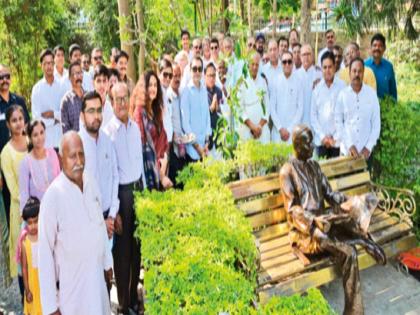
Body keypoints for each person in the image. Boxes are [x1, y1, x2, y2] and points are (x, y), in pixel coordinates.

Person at [279, 124, 386, 315]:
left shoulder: (314, 166)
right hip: (305, 233)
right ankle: (354, 311)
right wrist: (313, 221)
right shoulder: (287, 171)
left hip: (324, 224)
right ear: (297, 145)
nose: (313, 145)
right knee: (348, 251)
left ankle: (365, 243)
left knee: (351, 229)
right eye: (308, 142)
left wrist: (352, 200)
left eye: (312, 141)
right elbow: (293, 210)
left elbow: (330, 194)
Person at [38, 131, 113, 315]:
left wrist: (107, 263)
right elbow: (45, 253)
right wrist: (51, 306)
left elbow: (99, 225)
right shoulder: (53, 197)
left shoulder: (91, 182)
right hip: (73, 293)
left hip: (97, 282)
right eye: (72, 156)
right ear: (61, 158)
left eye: (81, 154)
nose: (78, 161)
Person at [104, 82, 145, 314]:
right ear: (111, 102)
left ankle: (132, 298)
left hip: (137, 192)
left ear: (129, 99)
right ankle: (123, 303)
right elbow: (111, 175)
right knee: (122, 253)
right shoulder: (109, 133)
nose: (121, 103)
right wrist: (115, 210)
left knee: (137, 249)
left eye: (124, 98)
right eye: (116, 99)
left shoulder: (134, 128)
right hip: (120, 196)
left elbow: (138, 163)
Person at [79, 91, 119, 238]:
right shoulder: (77, 145)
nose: (96, 116)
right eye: (91, 111)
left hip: (109, 219)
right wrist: (100, 222)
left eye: (98, 110)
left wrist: (112, 215)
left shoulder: (108, 141)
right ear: (82, 116)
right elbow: (76, 190)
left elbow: (115, 177)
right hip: (87, 223)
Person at [0, 64, 30, 233]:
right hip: (5, 163)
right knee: (10, 206)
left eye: (7, 76)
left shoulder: (19, 101)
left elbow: (27, 126)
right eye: (1, 77)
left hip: (24, 155)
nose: (4, 80)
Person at [335, 57, 381, 164]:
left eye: (359, 71)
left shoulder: (372, 95)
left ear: (363, 73)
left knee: (366, 181)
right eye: (354, 71)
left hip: (366, 155)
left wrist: (368, 147)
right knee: (344, 181)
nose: (356, 74)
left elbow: (376, 125)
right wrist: (349, 145)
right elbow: (338, 123)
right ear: (349, 73)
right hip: (346, 153)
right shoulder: (342, 95)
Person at [1, 105, 28, 279]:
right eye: (14, 120)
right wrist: (31, 205)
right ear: (8, 125)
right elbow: (13, 189)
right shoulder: (5, 153)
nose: (18, 124)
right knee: (23, 259)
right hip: (20, 211)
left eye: (20, 119)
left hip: (41, 207)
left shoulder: (32, 142)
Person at [133, 72, 172, 190]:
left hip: (162, 167)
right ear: (143, 87)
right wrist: (160, 175)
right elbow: (144, 149)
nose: (153, 88)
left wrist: (164, 162)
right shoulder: (139, 112)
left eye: (155, 85)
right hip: (149, 174)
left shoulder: (156, 110)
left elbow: (164, 139)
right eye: (150, 85)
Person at [18, 120, 60, 212]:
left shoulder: (52, 153)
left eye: (42, 133)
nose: (40, 137)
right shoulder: (25, 163)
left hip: (57, 208)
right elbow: (24, 196)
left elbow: (59, 181)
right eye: (35, 135)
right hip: (37, 215)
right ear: (29, 138)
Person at [311, 52, 346, 158]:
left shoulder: (342, 87)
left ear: (335, 67)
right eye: (324, 67)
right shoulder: (317, 90)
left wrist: (334, 138)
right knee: (320, 173)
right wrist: (323, 137)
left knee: (336, 174)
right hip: (321, 142)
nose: (327, 70)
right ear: (321, 69)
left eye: (330, 67)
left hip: (337, 142)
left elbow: (345, 114)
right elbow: (313, 116)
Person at [181, 57, 211, 162]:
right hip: (193, 151)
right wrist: (197, 147)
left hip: (205, 149)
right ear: (190, 71)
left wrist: (207, 142)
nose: (197, 72)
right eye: (194, 69)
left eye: (200, 69)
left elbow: (207, 117)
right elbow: (185, 125)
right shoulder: (186, 92)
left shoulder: (204, 90)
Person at [31, 49, 63, 150]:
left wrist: (53, 114)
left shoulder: (62, 86)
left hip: (61, 141)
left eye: (51, 63)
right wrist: (54, 121)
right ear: (41, 65)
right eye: (46, 63)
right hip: (45, 144)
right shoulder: (37, 89)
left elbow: (65, 114)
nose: (49, 66)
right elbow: (37, 118)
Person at [270, 51, 303, 144]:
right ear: (281, 64)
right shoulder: (275, 81)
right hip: (277, 133)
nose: (287, 64)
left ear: (293, 63)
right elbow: (272, 107)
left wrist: (289, 129)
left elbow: (300, 109)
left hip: (292, 133)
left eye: (289, 61)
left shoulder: (298, 82)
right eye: (284, 62)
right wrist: (280, 128)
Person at [236, 52, 270, 144]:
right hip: (247, 130)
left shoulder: (263, 81)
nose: (255, 67)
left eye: (257, 64)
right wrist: (252, 127)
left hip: (262, 130)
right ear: (248, 64)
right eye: (252, 64)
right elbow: (239, 109)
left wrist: (259, 127)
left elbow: (267, 106)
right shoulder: (242, 82)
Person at [21, 197, 42, 315]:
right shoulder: (25, 243)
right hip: (33, 284)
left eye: (36, 221)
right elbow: (24, 268)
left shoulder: (45, 237)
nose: (33, 226)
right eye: (30, 223)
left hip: (44, 283)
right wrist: (27, 289)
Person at [167, 63, 187, 185]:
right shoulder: (168, 96)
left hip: (183, 145)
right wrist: (176, 138)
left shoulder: (181, 93)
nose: (177, 79)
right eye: (174, 76)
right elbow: (168, 122)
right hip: (173, 148)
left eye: (179, 75)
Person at [365, 33, 397, 100]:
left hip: (386, 107)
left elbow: (393, 90)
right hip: (368, 107)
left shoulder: (389, 66)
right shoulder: (364, 65)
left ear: (384, 48)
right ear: (371, 48)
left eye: (380, 46)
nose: (377, 48)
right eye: (374, 45)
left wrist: (394, 105)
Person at [296, 44, 322, 126]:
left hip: (316, 122)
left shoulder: (320, 75)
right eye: (304, 55)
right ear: (300, 57)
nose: (306, 57)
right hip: (299, 122)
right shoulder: (295, 76)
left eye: (308, 54)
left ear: (313, 56)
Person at [204, 63, 224, 153]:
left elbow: (222, 110)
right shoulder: (201, 92)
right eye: (209, 76)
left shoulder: (219, 91)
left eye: (213, 75)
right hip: (207, 138)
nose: (211, 78)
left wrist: (218, 108)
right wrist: (211, 108)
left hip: (219, 135)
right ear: (205, 76)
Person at [61, 61, 84, 133]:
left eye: (80, 73)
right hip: (75, 142)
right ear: (69, 77)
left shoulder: (88, 97)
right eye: (76, 74)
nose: (79, 76)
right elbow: (65, 130)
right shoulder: (66, 101)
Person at [158, 59, 174, 144]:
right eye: (165, 74)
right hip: (161, 143)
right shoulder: (156, 93)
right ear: (159, 73)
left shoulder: (167, 92)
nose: (168, 78)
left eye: (170, 75)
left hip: (168, 141)